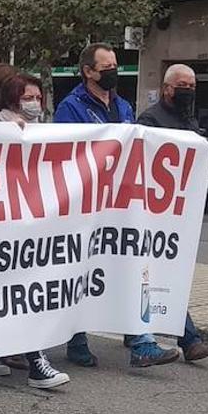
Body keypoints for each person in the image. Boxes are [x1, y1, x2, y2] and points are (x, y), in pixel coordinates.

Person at [54, 43, 178, 368]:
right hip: (84, 203)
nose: (113, 71)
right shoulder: (71, 107)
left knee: (131, 267)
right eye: (106, 67)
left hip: (120, 202)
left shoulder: (122, 105)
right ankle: (76, 341)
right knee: (81, 272)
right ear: (88, 72)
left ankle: (142, 342)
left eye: (115, 65)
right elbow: (65, 152)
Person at [0, 71, 72, 388]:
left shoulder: (41, 130)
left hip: (30, 227)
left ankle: (34, 360)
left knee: (24, 293)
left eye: (37, 98)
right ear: (11, 100)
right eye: (26, 98)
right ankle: (21, 357)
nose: (34, 104)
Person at [137, 64, 208, 363]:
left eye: (192, 86)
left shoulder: (189, 120)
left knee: (168, 274)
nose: (189, 91)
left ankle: (138, 334)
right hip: (153, 209)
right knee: (154, 274)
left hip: (178, 211)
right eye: (183, 85)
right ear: (167, 88)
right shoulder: (150, 120)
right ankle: (189, 340)